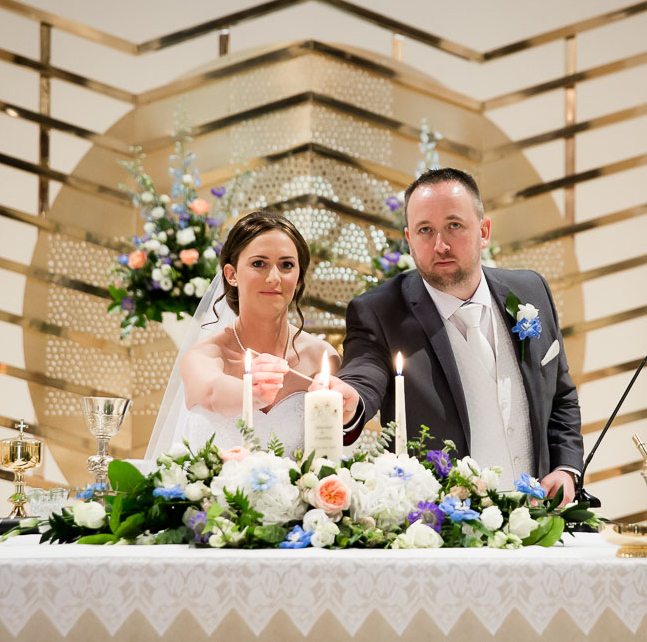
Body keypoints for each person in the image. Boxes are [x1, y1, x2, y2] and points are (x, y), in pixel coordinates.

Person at [317, 168, 583, 503]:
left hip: (539, 522)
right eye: (425, 230)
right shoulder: (380, 311)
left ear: (483, 232)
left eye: (454, 226)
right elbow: (364, 372)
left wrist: (566, 468)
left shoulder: (531, 290)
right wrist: (351, 398)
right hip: (446, 528)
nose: (440, 244)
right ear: (409, 239)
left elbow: (561, 397)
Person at [145, 211, 341, 458]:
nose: (273, 278)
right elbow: (213, 393)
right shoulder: (203, 356)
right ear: (231, 274)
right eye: (259, 264)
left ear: (299, 278)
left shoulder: (322, 357)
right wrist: (253, 392)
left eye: (286, 265)